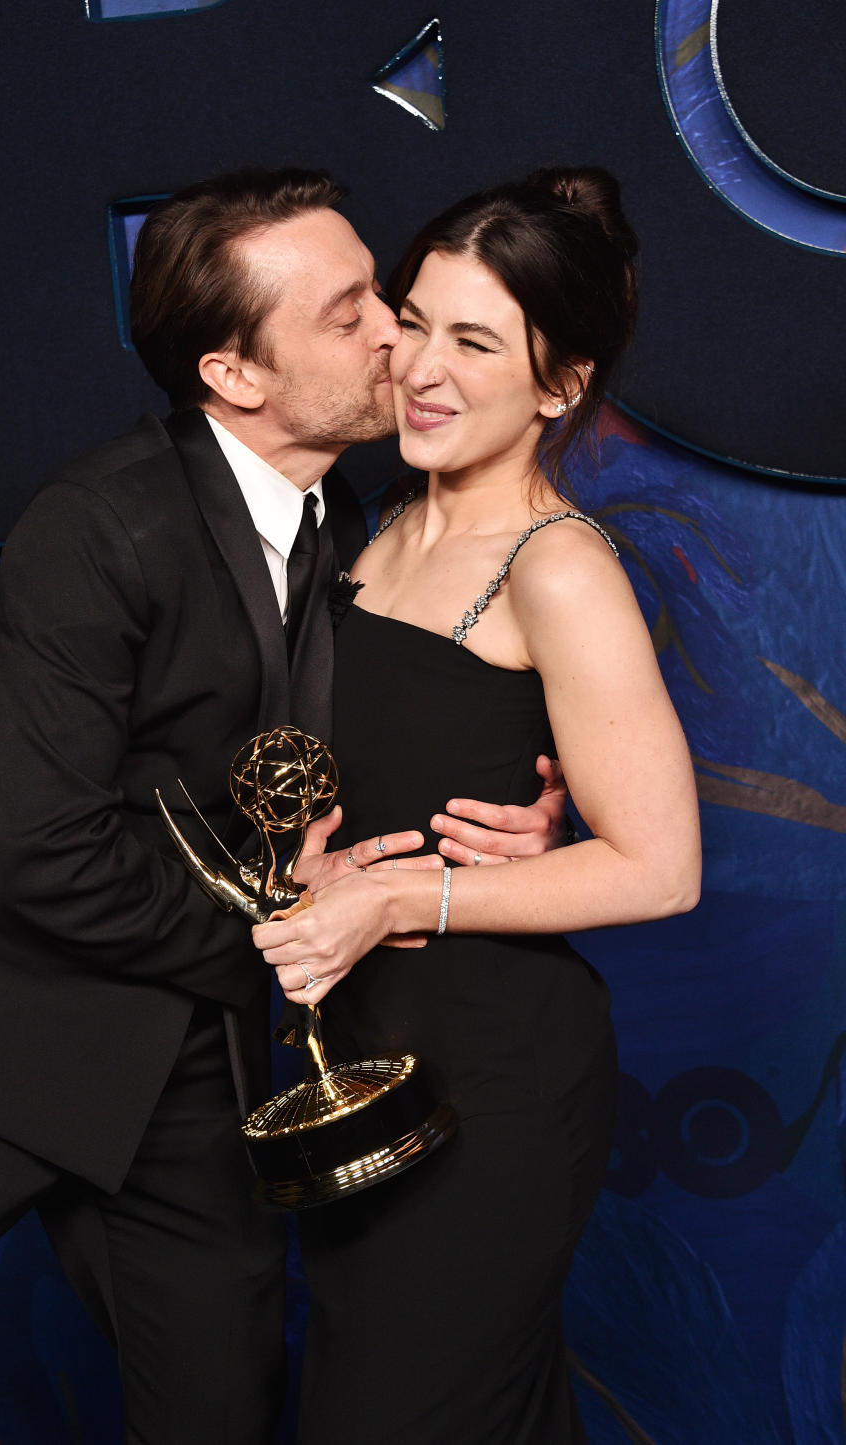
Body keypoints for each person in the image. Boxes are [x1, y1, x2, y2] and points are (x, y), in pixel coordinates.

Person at [0, 168, 564, 1444]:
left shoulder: (349, 513)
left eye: (384, 293)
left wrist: (511, 816)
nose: (393, 333)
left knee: (223, 1412)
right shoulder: (94, 529)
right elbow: (43, 853)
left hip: (189, 1066)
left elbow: (344, 751)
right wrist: (295, 924)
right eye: (348, 310)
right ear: (235, 375)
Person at [253, 167, 702, 1444]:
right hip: (369, 1073)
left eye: (475, 340)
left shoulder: (557, 568)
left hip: (497, 1084)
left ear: (559, 385)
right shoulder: (370, 521)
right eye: (412, 317)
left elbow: (663, 867)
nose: (419, 367)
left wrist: (410, 890)